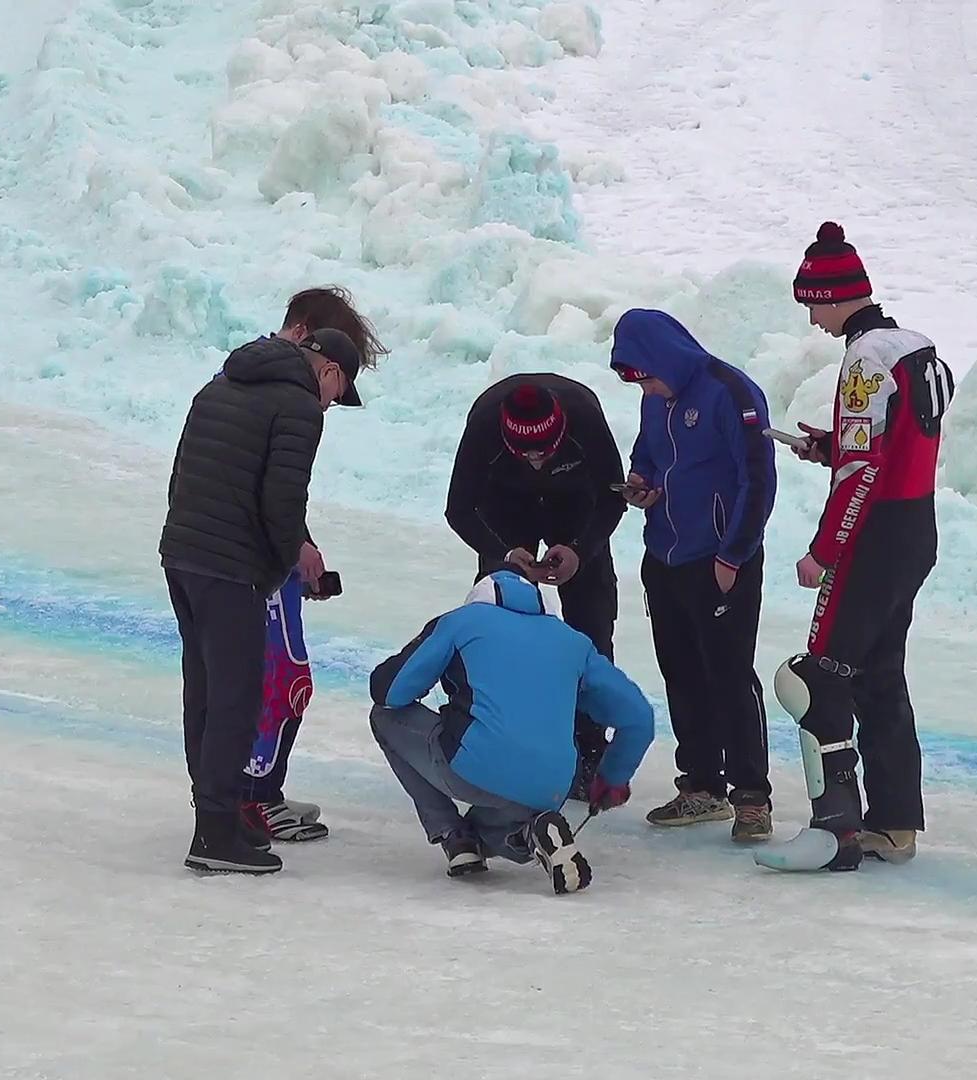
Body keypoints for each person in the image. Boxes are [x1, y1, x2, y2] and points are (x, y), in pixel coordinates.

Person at [755, 221, 954, 874]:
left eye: (811, 303)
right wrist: (832, 445)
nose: (811, 319)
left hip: (872, 537)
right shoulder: (915, 344)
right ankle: (894, 823)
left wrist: (822, 550)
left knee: (819, 678)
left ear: (836, 296)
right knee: (878, 674)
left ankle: (834, 831)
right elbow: (894, 446)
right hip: (913, 527)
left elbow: (862, 471)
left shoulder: (866, 358)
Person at [161, 320, 370, 875]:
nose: (330, 406)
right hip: (229, 569)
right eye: (337, 392)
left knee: (204, 689)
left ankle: (218, 818)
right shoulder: (298, 407)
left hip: (182, 553)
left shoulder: (221, 384)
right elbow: (282, 500)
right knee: (237, 696)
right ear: (328, 371)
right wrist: (288, 565)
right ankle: (214, 834)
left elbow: (182, 474)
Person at [368, 567, 657, 894]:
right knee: (493, 832)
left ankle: (452, 834)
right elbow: (639, 717)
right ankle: (531, 832)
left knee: (384, 718)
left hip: (472, 766)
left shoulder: (462, 622)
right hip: (550, 786)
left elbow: (389, 692)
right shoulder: (573, 642)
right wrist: (612, 778)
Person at [609, 308, 778, 840]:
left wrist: (734, 555)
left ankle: (752, 795)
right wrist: (642, 480)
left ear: (666, 359)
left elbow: (758, 479)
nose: (648, 391)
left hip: (721, 559)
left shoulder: (730, 392)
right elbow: (650, 452)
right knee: (680, 671)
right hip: (665, 556)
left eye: (649, 378)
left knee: (729, 673)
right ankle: (702, 786)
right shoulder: (655, 400)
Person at [236, 286, 388, 846]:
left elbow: (265, 483)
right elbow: (270, 491)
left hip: (246, 556)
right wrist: (292, 546)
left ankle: (255, 794)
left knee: (265, 678)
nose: (332, 401)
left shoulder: (244, 378)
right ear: (307, 336)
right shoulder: (288, 397)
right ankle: (254, 798)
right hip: (253, 563)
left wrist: (299, 543)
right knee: (283, 680)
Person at [442, 373, 627, 799]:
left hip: (575, 503)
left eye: (545, 450)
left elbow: (612, 495)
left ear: (560, 431)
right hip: (505, 505)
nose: (536, 459)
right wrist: (505, 552)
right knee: (495, 620)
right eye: (525, 451)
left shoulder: (583, 418)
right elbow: (459, 509)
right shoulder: (486, 425)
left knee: (591, 625)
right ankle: (489, 731)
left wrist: (581, 548)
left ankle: (590, 747)